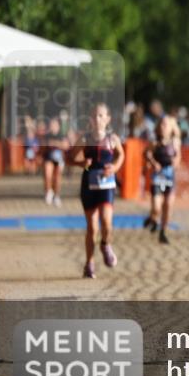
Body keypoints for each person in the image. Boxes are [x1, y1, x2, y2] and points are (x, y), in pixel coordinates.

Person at [68, 103, 124, 279]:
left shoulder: (113, 139)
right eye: (94, 116)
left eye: (101, 115)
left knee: (107, 222)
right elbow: (69, 157)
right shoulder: (84, 139)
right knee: (92, 228)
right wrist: (81, 163)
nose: (97, 119)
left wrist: (114, 167)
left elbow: (121, 155)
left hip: (107, 186)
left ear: (108, 119)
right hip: (89, 186)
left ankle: (105, 244)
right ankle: (89, 264)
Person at [144, 115, 181, 244]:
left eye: (165, 124)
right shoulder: (154, 142)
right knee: (156, 207)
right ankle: (152, 218)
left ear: (171, 128)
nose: (162, 127)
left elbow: (178, 157)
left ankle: (163, 232)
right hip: (157, 177)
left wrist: (175, 162)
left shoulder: (175, 142)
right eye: (161, 124)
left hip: (170, 177)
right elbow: (147, 154)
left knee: (168, 205)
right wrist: (153, 163)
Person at [42, 117, 68, 206]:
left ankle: (56, 195)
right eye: (51, 124)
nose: (53, 126)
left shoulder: (62, 135)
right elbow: (43, 145)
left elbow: (66, 146)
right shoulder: (47, 135)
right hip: (48, 158)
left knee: (57, 178)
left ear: (58, 126)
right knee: (47, 175)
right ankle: (48, 192)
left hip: (59, 159)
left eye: (54, 124)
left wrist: (55, 143)